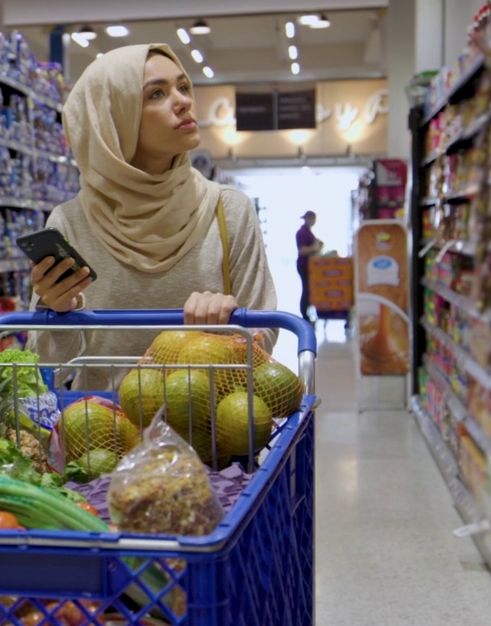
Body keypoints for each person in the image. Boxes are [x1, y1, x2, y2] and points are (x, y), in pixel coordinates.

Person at [28, 44, 277, 391]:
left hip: (210, 428)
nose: (183, 101)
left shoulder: (229, 210)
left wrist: (226, 330)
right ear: (113, 118)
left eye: (183, 87)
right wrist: (57, 311)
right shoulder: (71, 224)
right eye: (157, 93)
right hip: (101, 430)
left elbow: (265, 338)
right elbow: (46, 370)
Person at [296, 211, 323, 320]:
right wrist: (315, 247)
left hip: (310, 265)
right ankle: (304, 314)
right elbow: (302, 250)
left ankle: (307, 312)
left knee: (308, 289)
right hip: (303, 265)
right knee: (306, 289)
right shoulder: (302, 232)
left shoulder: (308, 232)